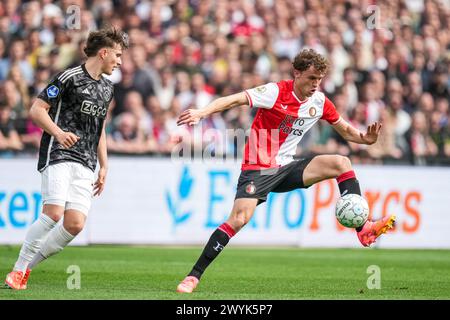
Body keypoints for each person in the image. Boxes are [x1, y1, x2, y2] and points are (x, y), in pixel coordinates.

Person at [175, 49, 396, 293]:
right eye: (311, 78)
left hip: (288, 166)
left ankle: (363, 229)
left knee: (341, 163)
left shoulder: (320, 102)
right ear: (297, 73)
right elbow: (233, 99)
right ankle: (193, 276)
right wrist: (201, 113)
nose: (315, 84)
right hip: (260, 169)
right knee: (238, 220)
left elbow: (344, 129)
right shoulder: (275, 91)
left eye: (319, 79)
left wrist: (365, 139)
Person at [4, 28, 129, 290]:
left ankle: (26, 268)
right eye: (117, 55)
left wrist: (104, 165)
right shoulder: (68, 77)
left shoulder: (107, 88)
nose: (120, 61)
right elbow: (37, 110)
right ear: (103, 53)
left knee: (75, 224)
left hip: (86, 162)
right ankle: (17, 270)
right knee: (53, 214)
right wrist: (59, 133)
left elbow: (100, 127)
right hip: (59, 153)